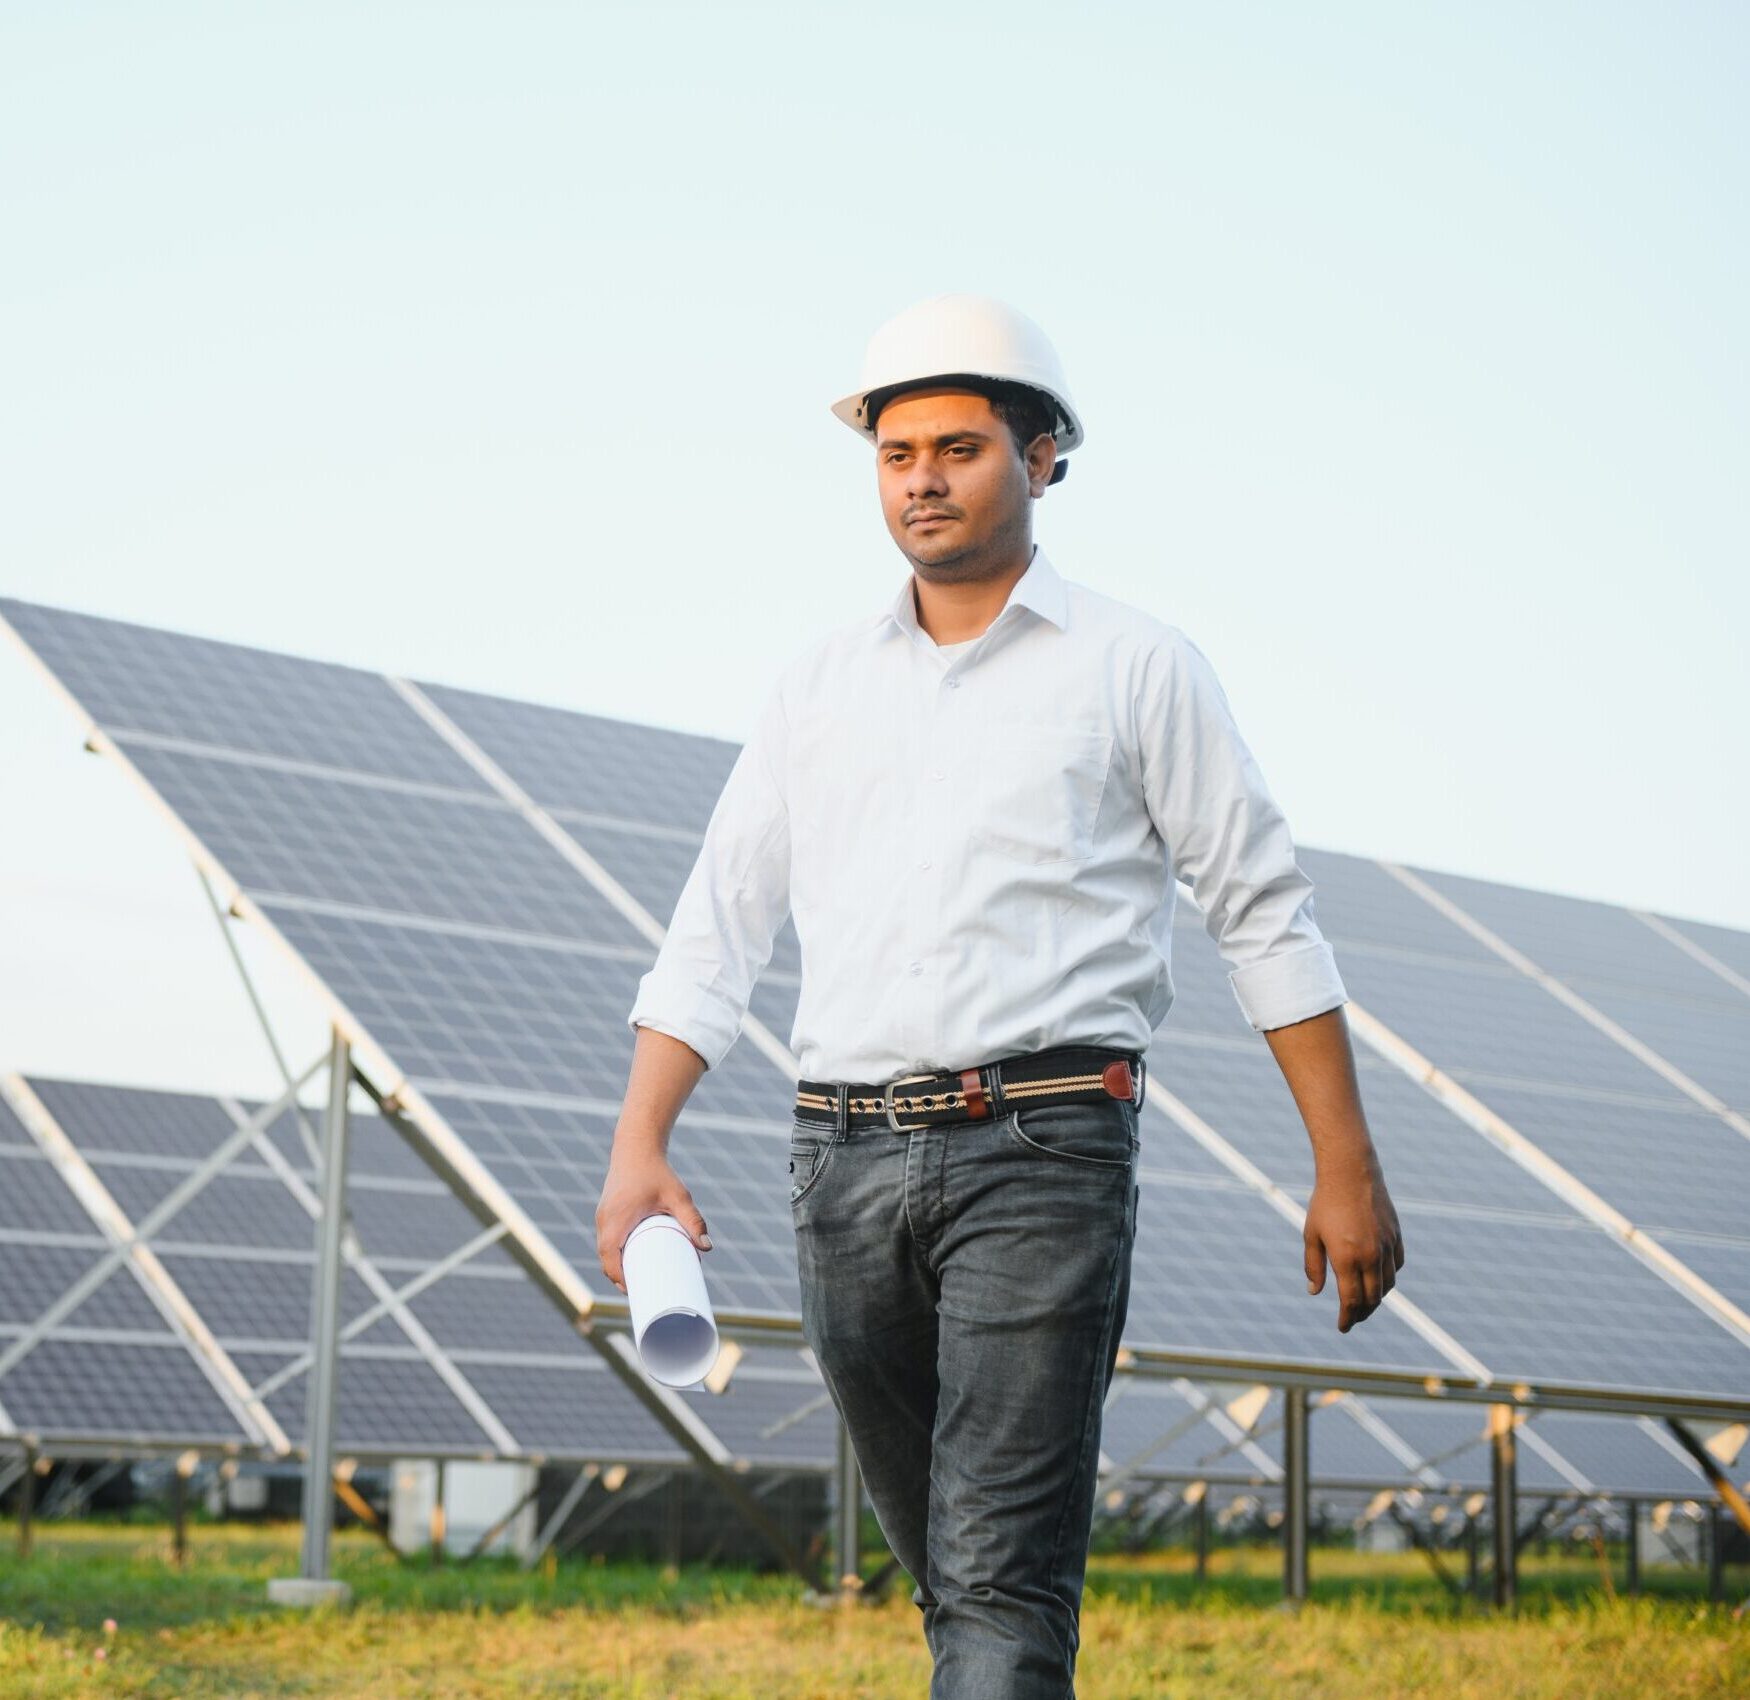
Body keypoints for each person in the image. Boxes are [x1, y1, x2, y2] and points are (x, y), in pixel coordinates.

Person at [597, 293, 1406, 1697]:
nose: (921, 477)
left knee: (994, 1579)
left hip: (1039, 1149)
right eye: (896, 451)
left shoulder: (1134, 666)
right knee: (958, 1576)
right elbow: (715, 926)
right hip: (836, 1163)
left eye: (959, 447)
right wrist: (636, 1147)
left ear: (1040, 461)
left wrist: (1344, 1164)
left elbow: (1260, 911)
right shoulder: (818, 685)